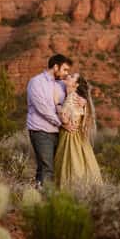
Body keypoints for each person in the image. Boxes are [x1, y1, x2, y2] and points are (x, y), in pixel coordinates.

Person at [26, 54, 72, 186]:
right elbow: (42, 108)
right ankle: (45, 199)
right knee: (47, 168)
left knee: (47, 167)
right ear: (55, 66)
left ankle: (38, 195)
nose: (66, 73)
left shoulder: (61, 85)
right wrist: (61, 123)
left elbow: (67, 105)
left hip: (58, 132)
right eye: (65, 69)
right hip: (41, 130)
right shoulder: (36, 82)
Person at [54, 74, 103, 189]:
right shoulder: (78, 98)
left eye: (72, 76)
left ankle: (69, 190)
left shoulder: (71, 97)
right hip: (79, 137)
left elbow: (65, 119)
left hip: (70, 136)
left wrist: (57, 105)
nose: (68, 75)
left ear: (75, 84)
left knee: (70, 165)